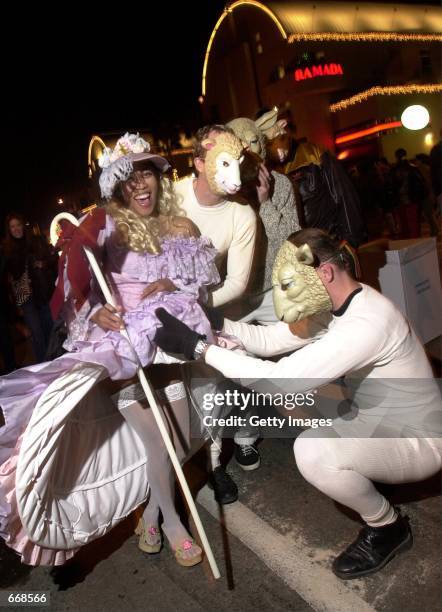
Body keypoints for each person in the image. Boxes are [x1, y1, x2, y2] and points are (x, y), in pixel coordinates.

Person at [154, 227, 442, 580]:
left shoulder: (367, 322)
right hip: (379, 418)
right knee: (316, 402)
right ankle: (376, 472)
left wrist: (198, 348)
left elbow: (280, 382)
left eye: (288, 285)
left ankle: (388, 527)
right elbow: (266, 339)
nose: (282, 296)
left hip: (422, 440)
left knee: (312, 451)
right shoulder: (340, 303)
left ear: (324, 272)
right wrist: (205, 317)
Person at [0, 133, 220, 567]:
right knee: (157, 442)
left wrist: (175, 284)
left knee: (178, 440)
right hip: (121, 349)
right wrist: (95, 312)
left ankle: (151, 512)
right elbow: (81, 296)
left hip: (166, 346)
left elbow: (203, 289)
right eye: (129, 177)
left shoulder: (180, 228)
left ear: (160, 177)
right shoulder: (104, 232)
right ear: (118, 187)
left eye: (147, 173)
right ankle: (171, 523)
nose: (140, 184)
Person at [174, 125, 256, 503]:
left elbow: (237, 282)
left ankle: (214, 464)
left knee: (210, 388)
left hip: (203, 310)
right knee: (167, 394)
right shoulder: (170, 198)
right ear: (198, 161)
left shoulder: (242, 215)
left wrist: (196, 308)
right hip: (152, 312)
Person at [3, 213, 55, 363]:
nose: (16, 229)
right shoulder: (7, 250)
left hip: (42, 293)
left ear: (23, 226)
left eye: (18, 225)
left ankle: (57, 361)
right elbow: (7, 278)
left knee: (49, 329)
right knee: (37, 334)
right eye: (12, 227)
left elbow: (52, 258)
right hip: (26, 299)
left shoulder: (35, 241)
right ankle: (45, 366)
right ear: (9, 230)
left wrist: (43, 264)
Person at [390, 148, 428, 238]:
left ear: (396, 157)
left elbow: (391, 187)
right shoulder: (413, 168)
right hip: (413, 199)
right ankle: (415, 242)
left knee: (404, 225)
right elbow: (421, 183)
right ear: (405, 155)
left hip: (399, 201)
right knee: (414, 223)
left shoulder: (393, 170)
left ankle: (407, 243)